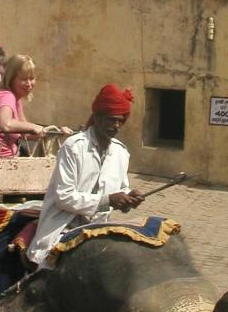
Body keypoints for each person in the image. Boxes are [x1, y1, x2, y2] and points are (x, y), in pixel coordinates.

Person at [26, 84, 145, 267]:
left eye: (120, 121)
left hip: (98, 231)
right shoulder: (74, 147)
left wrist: (129, 197)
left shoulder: (121, 153)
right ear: (97, 117)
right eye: (111, 120)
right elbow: (63, 197)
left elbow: (120, 190)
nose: (116, 126)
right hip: (62, 229)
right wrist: (108, 200)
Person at [0, 54, 71, 162]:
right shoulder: (6, 96)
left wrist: (55, 131)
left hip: (8, 158)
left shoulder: (15, 99)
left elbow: (25, 133)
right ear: (11, 78)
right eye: (23, 79)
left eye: (32, 78)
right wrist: (33, 126)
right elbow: (6, 124)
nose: (29, 84)